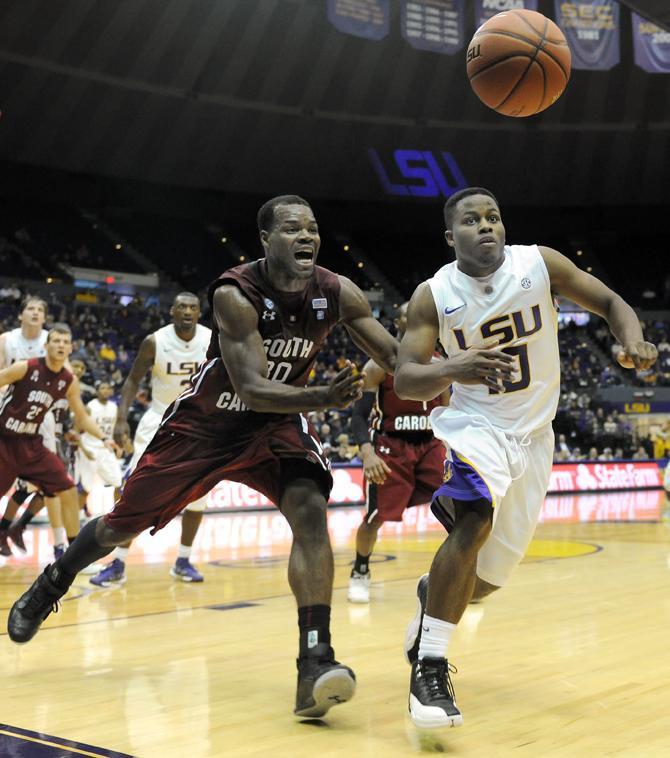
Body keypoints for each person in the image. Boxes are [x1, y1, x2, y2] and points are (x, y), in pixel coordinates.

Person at [7, 195, 398, 721]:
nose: (306, 237)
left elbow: (397, 359)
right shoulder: (235, 294)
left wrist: (459, 369)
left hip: (276, 425)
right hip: (204, 427)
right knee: (121, 526)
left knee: (310, 512)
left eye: (312, 228)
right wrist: (321, 398)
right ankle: (54, 580)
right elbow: (255, 388)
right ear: (266, 239)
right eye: (291, 229)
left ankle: (314, 661)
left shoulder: (335, 290)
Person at [392, 187, 657, 729]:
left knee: (484, 580)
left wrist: (633, 341)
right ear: (451, 237)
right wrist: (453, 368)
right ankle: (431, 669)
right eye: (471, 219)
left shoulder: (538, 263)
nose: (486, 225)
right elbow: (406, 378)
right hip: (477, 428)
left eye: (493, 216)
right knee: (473, 520)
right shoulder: (434, 294)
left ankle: (431, 593)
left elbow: (610, 303)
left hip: (535, 437)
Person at [90, 293, 212, 586]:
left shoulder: (212, 339)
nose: (187, 311)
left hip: (199, 423)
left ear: (198, 313)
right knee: (131, 488)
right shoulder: (155, 341)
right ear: (172, 311)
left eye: (193, 307)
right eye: (181, 306)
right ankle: (117, 563)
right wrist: (121, 418)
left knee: (199, 496)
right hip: (159, 418)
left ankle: (183, 560)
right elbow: (132, 380)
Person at [347, 302, 449, 603]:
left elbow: (447, 410)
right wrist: (367, 454)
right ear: (398, 323)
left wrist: (452, 449)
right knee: (375, 517)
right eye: (411, 314)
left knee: (461, 506)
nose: (419, 318)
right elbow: (358, 416)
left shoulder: (441, 362)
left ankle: (459, 575)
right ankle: (360, 571)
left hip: (430, 444)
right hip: (391, 447)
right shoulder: (377, 365)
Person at [0, 324, 117, 559]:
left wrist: (105, 438)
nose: (61, 345)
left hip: (31, 443)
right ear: (46, 346)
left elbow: (82, 417)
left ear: (71, 348)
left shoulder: (68, 380)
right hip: (4, 441)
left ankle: (72, 556)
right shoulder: (26, 367)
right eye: (56, 341)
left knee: (68, 489)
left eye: (65, 342)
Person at [0, 297, 70, 558]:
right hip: (9, 417)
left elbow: (65, 382)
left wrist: (61, 425)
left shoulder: (52, 341)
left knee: (52, 484)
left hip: (44, 419)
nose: (35, 312)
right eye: (30, 308)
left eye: (40, 309)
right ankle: (7, 528)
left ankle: (59, 545)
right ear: (20, 315)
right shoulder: (7, 340)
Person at [75, 380, 124, 516]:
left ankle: (117, 515)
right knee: (85, 488)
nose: (106, 390)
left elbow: (114, 430)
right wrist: (83, 449)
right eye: (102, 388)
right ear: (97, 391)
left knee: (118, 483)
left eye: (108, 388)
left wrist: (118, 446)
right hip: (89, 448)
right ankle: (76, 519)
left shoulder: (114, 407)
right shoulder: (90, 407)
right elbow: (77, 430)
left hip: (106, 449)